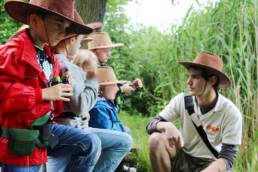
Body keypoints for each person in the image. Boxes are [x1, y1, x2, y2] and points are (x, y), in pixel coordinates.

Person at [0, 0, 101, 171]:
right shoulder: (12, 54)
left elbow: (55, 109)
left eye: (66, 27)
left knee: (89, 142)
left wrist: (63, 87)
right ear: (34, 20)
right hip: (17, 146)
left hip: (41, 139)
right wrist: (43, 93)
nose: (63, 32)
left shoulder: (51, 59)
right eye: (58, 24)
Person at [50, 14, 132, 171]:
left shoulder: (51, 61)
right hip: (72, 128)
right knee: (124, 141)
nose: (81, 45)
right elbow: (81, 106)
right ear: (71, 40)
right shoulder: (70, 67)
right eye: (80, 40)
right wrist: (93, 79)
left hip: (58, 126)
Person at [146, 52, 242, 172]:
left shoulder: (230, 112)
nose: (188, 82)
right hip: (183, 157)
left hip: (211, 164)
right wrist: (166, 125)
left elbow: (228, 157)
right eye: (189, 76)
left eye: (195, 77)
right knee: (155, 139)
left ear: (212, 80)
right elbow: (150, 125)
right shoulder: (182, 100)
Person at [89, 66, 132, 134]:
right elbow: (108, 132)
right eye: (113, 86)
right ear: (100, 89)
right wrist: (123, 129)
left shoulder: (105, 103)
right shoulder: (99, 108)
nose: (118, 89)